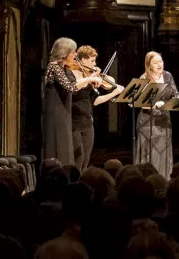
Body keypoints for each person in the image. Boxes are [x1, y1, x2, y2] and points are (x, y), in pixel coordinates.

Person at [44, 38, 103, 166]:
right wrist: (88, 79)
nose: (75, 55)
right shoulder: (54, 66)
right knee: (59, 150)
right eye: (73, 52)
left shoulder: (62, 68)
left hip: (64, 113)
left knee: (67, 153)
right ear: (64, 53)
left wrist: (89, 79)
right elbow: (70, 87)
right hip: (56, 114)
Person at [71, 45, 124, 171]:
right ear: (83, 60)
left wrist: (113, 93)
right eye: (92, 61)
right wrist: (89, 78)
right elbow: (73, 89)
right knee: (77, 159)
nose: (95, 65)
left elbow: (95, 101)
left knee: (85, 160)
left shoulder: (90, 77)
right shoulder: (73, 75)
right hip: (73, 123)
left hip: (88, 122)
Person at [135, 51, 179, 173]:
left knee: (163, 153)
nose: (159, 64)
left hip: (164, 120)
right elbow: (140, 103)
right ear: (149, 65)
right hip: (147, 121)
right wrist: (154, 105)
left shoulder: (168, 76)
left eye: (161, 61)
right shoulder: (143, 78)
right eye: (155, 62)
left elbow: (175, 93)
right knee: (149, 153)